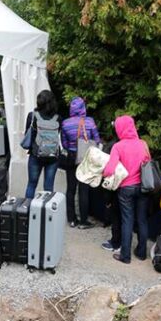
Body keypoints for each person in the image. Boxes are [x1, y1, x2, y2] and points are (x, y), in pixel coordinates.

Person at [102, 115, 150, 264]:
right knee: (142, 220)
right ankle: (141, 253)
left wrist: (103, 172)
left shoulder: (118, 146)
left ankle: (125, 256)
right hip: (143, 187)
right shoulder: (143, 144)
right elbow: (147, 163)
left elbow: (109, 170)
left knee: (127, 220)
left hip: (126, 188)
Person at [61, 97, 101, 228]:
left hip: (71, 158)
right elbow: (97, 140)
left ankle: (72, 219)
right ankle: (83, 221)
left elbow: (64, 144)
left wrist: (73, 147)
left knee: (71, 189)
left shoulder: (65, 123)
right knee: (84, 190)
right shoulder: (90, 122)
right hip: (86, 158)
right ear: (83, 108)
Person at [24, 90, 61, 197]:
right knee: (49, 187)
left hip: (36, 155)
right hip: (53, 156)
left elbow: (28, 134)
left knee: (32, 184)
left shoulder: (32, 116)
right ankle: (46, 206)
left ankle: (28, 206)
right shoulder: (58, 118)